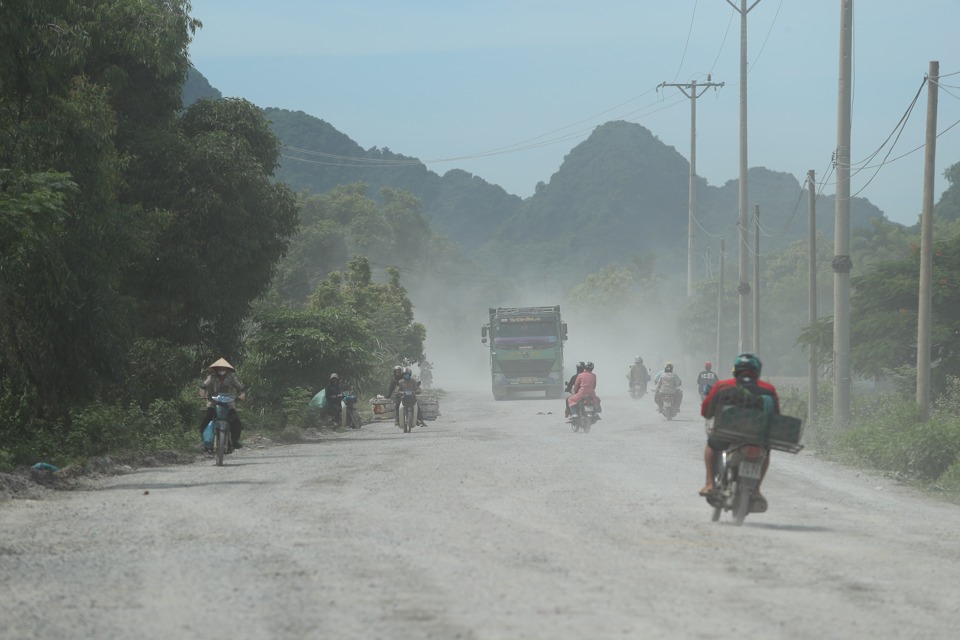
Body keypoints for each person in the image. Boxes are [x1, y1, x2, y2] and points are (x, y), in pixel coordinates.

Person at [699, 353, 780, 511]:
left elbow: (705, 411)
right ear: (757, 370)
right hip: (758, 438)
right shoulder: (768, 389)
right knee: (766, 453)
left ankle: (709, 484)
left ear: (736, 369)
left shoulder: (722, 386)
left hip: (726, 434)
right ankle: (756, 490)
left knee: (711, 446)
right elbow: (776, 416)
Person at [199, 357, 246, 452]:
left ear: (227, 369)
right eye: (219, 368)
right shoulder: (211, 377)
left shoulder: (231, 378)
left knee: (236, 422)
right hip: (213, 403)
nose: (221, 370)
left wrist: (242, 395)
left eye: (223, 368)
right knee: (206, 420)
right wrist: (202, 392)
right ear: (216, 369)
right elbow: (203, 386)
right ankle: (205, 442)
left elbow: (240, 388)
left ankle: (234, 441)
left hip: (228, 404)